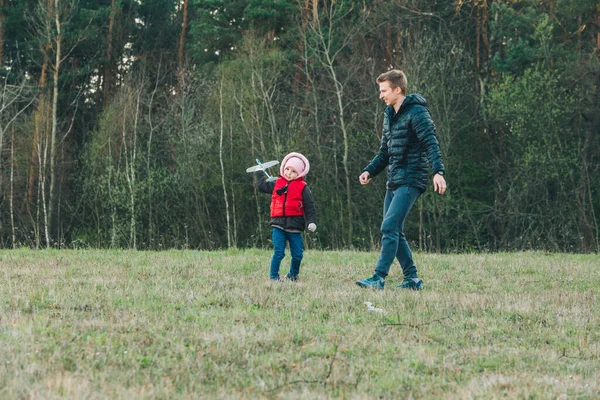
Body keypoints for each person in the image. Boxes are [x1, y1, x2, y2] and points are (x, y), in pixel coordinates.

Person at [356, 70, 446, 291]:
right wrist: (370, 171)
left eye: (384, 90)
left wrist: (438, 171)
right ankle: (412, 280)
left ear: (398, 89)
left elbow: (430, 143)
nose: (381, 95)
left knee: (389, 227)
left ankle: (378, 278)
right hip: (394, 180)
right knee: (394, 230)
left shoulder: (417, 113)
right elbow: (385, 152)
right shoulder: (389, 114)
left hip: (412, 178)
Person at [255, 152, 317, 281]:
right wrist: (259, 172)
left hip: (295, 227)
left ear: (299, 173)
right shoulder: (277, 183)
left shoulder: (303, 188)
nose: (289, 173)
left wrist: (311, 222)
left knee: (297, 255)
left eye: (293, 171)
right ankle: (273, 277)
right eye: (287, 169)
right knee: (279, 252)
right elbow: (261, 186)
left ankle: (293, 276)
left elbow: (309, 207)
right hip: (278, 225)